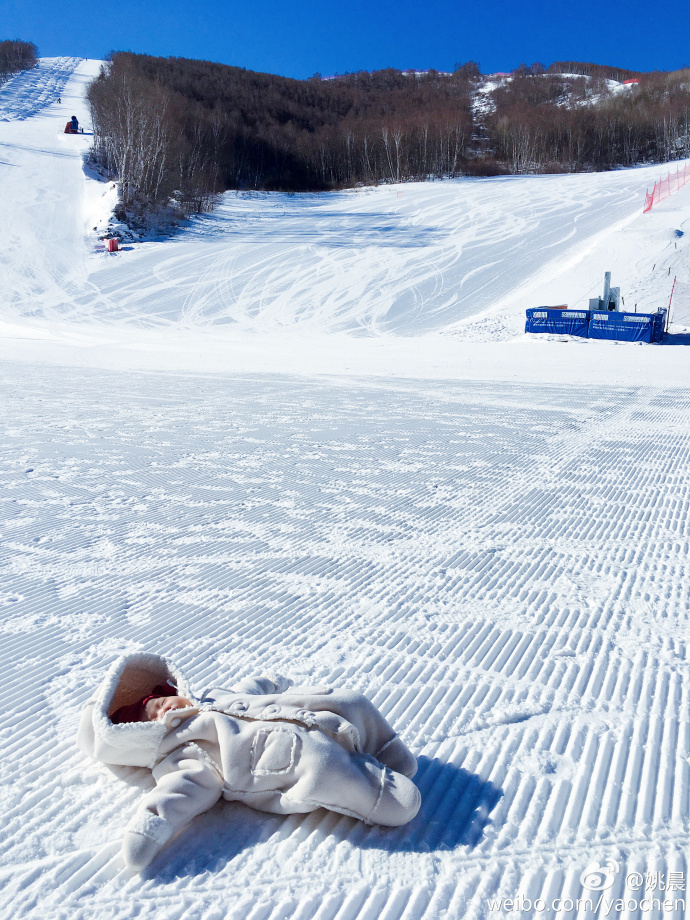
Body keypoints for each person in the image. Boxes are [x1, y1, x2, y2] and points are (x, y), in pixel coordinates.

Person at [78, 652, 421, 872]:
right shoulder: (179, 753)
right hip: (278, 759)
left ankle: (388, 751)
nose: (164, 709)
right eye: (152, 716)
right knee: (322, 763)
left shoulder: (211, 695)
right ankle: (381, 795)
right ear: (141, 737)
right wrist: (151, 825)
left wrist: (271, 682)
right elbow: (178, 792)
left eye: (161, 701)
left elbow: (248, 688)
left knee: (349, 701)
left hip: (298, 708)